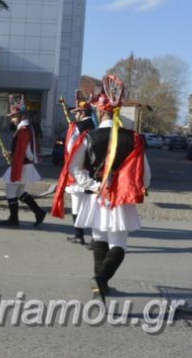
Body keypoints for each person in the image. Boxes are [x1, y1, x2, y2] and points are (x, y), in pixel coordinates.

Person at [75, 90, 150, 304]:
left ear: (100, 111)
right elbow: (143, 171)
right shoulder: (132, 138)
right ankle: (101, 279)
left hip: (96, 196)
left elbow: (75, 168)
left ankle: (101, 285)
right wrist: (143, 187)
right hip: (121, 196)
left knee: (99, 238)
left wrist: (94, 184)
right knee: (119, 243)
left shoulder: (88, 137)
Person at [51, 91, 96, 244]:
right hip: (93, 168)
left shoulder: (78, 126)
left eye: (77, 113)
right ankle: (92, 236)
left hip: (78, 169)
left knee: (77, 203)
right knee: (90, 203)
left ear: (82, 113)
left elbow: (70, 147)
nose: (75, 115)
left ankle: (79, 235)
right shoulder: (95, 125)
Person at [0, 94, 46, 227]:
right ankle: (39, 212)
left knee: (10, 190)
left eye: (14, 116)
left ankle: (14, 219)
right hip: (24, 164)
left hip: (22, 165)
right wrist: (11, 154)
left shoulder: (23, 130)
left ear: (21, 116)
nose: (12, 119)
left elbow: (26, 151)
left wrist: (12, 156)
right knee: (19, 192)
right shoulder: (25, 128)